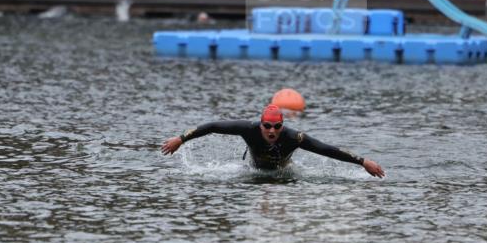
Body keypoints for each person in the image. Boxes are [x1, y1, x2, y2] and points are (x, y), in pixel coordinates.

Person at [161, 104, 385, 177]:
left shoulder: (293, 137)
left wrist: (362, 161)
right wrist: (181, 139)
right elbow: (212, 126)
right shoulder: (247, 129)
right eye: (267, 126)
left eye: (276, 126)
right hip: (253, 170)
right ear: (261, 124)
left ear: (282, 126)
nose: (271, 130)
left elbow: (326, 149)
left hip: (282, 172)